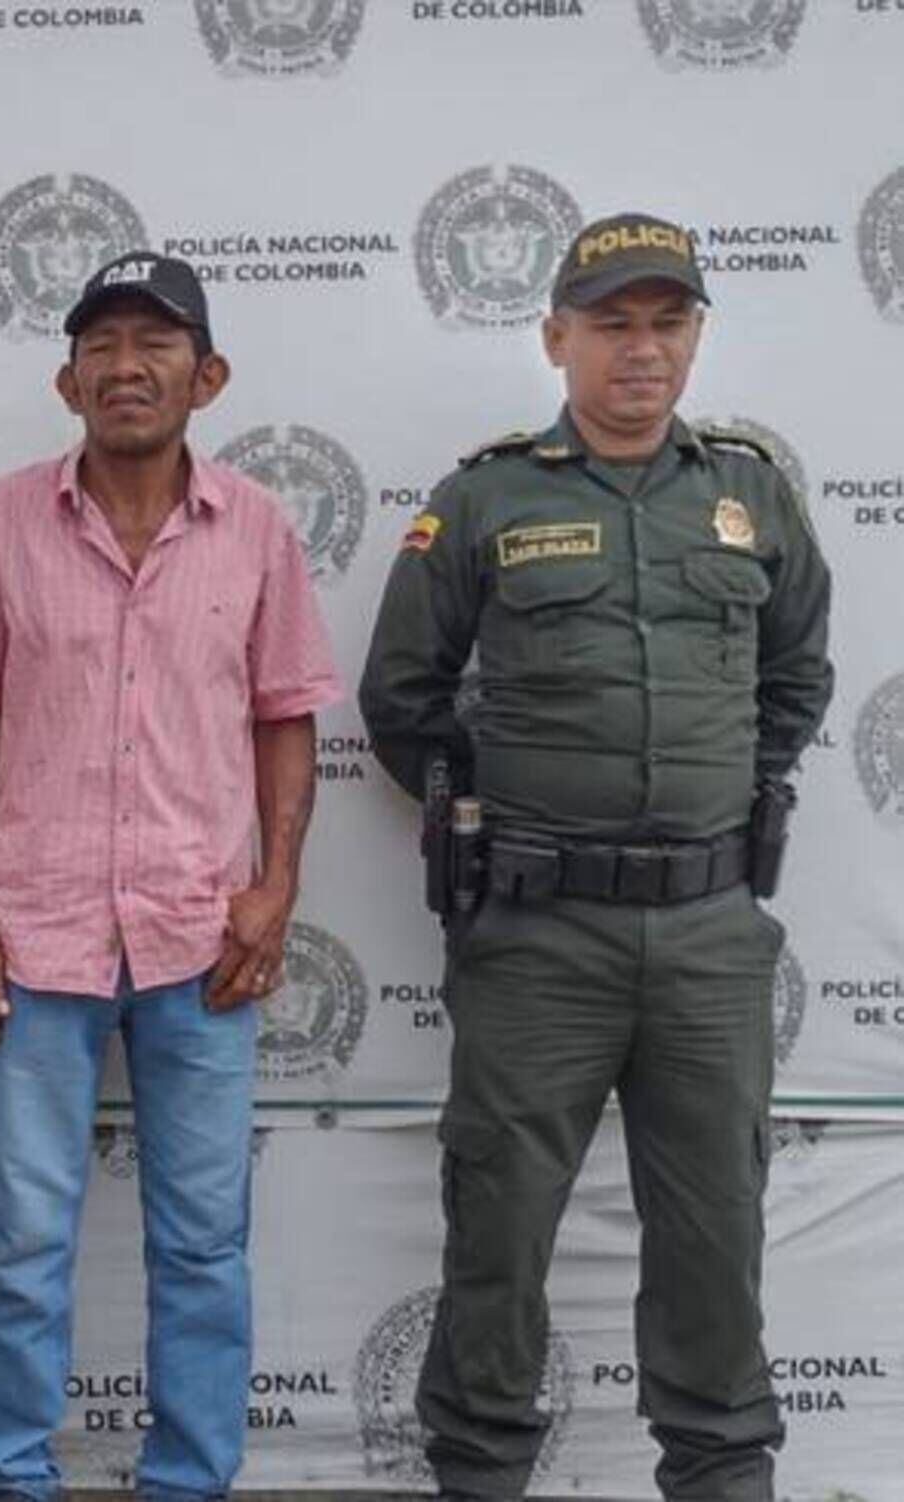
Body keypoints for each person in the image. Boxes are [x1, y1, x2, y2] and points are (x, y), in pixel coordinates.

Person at [359, 212, 833, 1501]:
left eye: (664, 321)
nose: (639, 349)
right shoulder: (484, 496)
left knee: (713, 1233)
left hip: (707, 935)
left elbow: (796, 674)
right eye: (610, 323)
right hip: (534, 936)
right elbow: (402, 700)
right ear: (554, 335)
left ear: (693, 335)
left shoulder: (749, 493)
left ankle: (723, 1473)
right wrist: (494, 812)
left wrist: (732, 796)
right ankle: (477, 1473)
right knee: (498, 1229)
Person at [0, 251, 341, 1501]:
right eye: (99, 343)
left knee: (203, 1242)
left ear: (205, 375)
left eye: (155, 341)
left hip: (201, 935)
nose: (125, 364)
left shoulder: (255, 525)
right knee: (24, 1241)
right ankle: (8, 1476)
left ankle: (186, 1480)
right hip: (33, 938)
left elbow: (284, 715)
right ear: (65, 378)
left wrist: (275, 888)